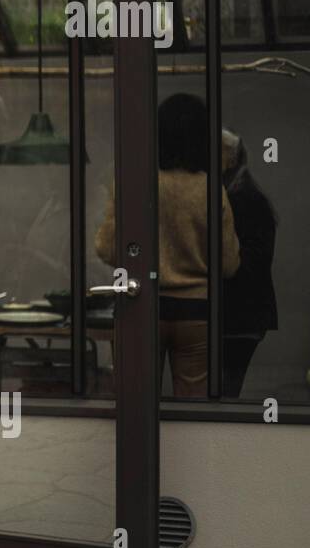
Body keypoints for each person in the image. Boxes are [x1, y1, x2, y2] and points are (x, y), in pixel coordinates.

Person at [95, 93, 240, 397]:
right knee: (193, 407)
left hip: (141, 307)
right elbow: (228, 264)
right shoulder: (211, 189)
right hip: (197, 312)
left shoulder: (134, 182)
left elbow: (107, 248)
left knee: (134, 403)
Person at [220, 129, 277, 397]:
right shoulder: (241, 193)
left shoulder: (240, 198)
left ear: (230, 159)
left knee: (224, 389)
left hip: (239, 313)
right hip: (244, 313)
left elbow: (247, 263)